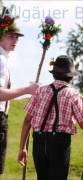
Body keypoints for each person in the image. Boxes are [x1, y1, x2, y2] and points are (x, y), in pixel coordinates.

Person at [18, 55, 83, 180]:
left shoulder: (40, 91)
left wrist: (22, 148)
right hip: (59, 144)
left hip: (38, 141)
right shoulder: (73, 94)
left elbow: (27, 121)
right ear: (71, 76)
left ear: (54, 74)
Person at [0, 13, 39, 175]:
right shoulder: (1, 60)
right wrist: (27, 90)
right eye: (11, 36)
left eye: (17, 37)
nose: (15, 40)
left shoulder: (4, 58)